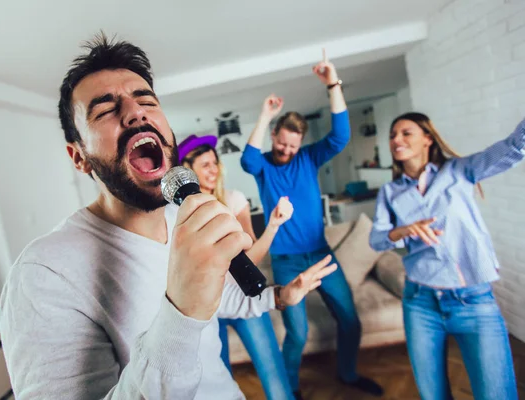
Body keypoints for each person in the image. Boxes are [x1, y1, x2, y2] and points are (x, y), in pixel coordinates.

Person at [0, 33, 339, 400]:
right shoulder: (44, 274)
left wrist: (279, 297)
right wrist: (181, 308)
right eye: (105, 109)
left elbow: (222, 299)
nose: (135, 112)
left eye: (146, 100)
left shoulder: (182, 217)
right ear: (78, 156)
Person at [240, 53, 383, 399]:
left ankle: (347, 374)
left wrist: (333, 84)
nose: (286, 151)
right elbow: (246, 159)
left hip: (321, 254)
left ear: (301, 143)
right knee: (298, 334)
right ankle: (289, 390)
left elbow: (341, 136)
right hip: (287, 261)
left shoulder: (308, 158)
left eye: (292, 145)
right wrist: (264, 115)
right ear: (274, 136)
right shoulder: (263, 167)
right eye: (281, 143)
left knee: (350, 320)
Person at [369, 112, 523, 400]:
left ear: (427, 138)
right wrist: (403, 230)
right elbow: (377, 241)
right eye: (392, 135)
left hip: (473, 300)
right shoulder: (390, 192)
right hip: (420, 302)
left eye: (406, 133)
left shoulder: (460, 171)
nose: (396, 140)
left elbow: (512, 148)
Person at [178, 134, 295, 399]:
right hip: (208, 307)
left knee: (273, 374)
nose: (214, 169)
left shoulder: (233, 199)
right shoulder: (180, 216)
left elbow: (250, 258)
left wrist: (274, 225)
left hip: (245, 296)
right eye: (205, 164)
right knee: (221, 381)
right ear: (188, 169)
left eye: (215, 163)